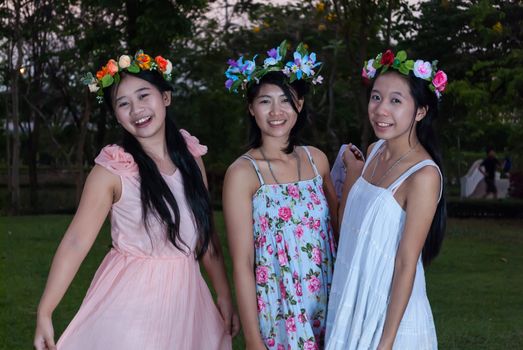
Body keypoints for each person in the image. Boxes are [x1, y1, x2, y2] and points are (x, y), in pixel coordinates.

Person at [33, 51, 239, 350]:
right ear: (116, 113)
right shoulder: (113, 170)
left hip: (188, 302)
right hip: (131, 303)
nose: (136, 109)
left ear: (165, 97)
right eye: (123, 103)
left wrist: (222, 292)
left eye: (144, 96)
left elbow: (205, 234)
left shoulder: (191, 158)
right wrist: (45, 310)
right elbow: (76, 241)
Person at [325, 49, 447, 350]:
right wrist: (353, 171)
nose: (381, 110)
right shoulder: (374, 151)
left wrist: (387, 342)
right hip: (354, 301)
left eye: (396, 100)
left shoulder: (423, 175)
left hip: (390, 316)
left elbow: (407, 263)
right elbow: (350, 230)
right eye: (376, 97)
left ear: (420, 111)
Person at [222, 41, 337, 349]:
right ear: (250, 108)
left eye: (285, 100)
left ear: (299, 104)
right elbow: (243, 263)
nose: (276, 112)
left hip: (327, 301)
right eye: (264, 102)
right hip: (279, 308)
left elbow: (339, 231)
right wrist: (252, 339)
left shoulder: (317, 160)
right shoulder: (242, 174)